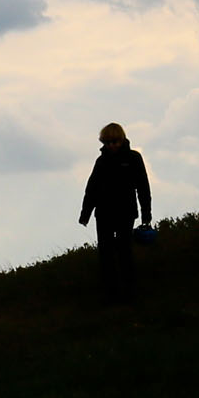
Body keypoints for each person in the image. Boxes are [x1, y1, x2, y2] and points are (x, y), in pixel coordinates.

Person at [78, 123, 153, 297]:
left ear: (121, 140)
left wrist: (146, 213)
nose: (111, 145)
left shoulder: (134, 158)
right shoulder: (101, 162)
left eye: (114, 142)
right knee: (105, 253)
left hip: (126, 213)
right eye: (107, 142)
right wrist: (85, 213)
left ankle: (129, 292)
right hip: (103, 213)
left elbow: (143, 187)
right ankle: (109, 293)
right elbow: (92, 189)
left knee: (124, 251)